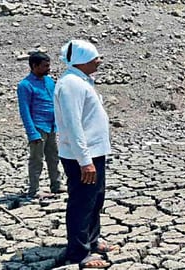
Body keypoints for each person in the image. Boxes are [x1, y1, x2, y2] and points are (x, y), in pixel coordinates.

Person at [54, 40, 119, 268]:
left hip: (93, 154)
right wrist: (85, 161)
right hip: (82, 157)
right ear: (83, 60)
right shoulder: (71, 84)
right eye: (95, 58)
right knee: (82, 202)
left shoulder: (81, 81)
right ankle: (78, 253)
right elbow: (73, 125)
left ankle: (92, 241)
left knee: (94, 200)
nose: (99, 61)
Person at [17, 52, 64, 198]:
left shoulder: (49, 81)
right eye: (45, 66)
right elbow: (24, 111)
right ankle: (34, 190)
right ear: (34, 66)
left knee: (53, 157)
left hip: (51, 126)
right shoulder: (25, 85)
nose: (48, 68)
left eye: (49, 65)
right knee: (36, 160)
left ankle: (56, 185)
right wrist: (32, 133)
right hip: (38, 127)